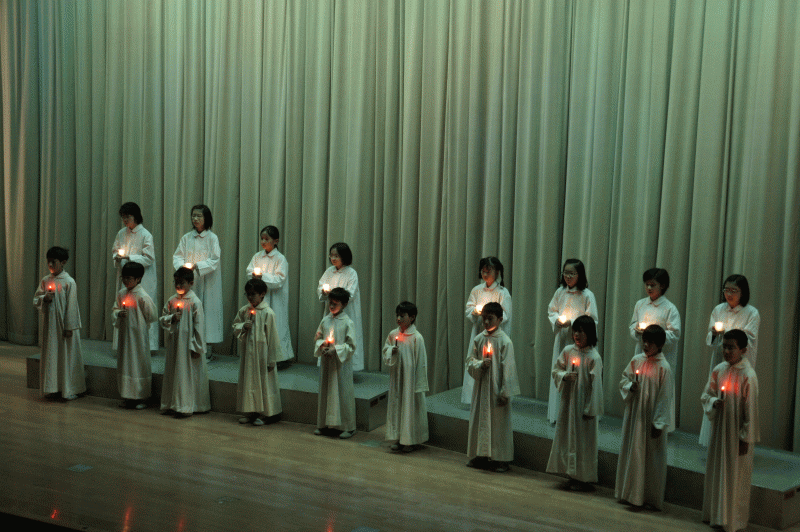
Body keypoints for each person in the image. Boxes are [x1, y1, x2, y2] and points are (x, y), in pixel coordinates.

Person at [701, 329, 759, 532]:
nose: (726, 351)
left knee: (735, 476)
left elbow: (750, 410)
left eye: (731, 348)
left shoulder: (748, 375)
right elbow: (706, 395)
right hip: (719, 432)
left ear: (743, 350)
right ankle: (714, 515)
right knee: (717, 472)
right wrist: (714, 402)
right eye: (724, 347)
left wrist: (745, 438)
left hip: (736, 435)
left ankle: (733, 521)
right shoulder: (718, 370)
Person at [615, 324, 675, 509]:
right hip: (635, 418)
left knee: (650, 459)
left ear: (660, 345)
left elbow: (665, 398)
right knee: (633, 453)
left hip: (650, 420)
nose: (646, 345)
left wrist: (659, 423)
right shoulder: (637, 360)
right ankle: (629, 493)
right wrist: (630, 386)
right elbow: (624, 380)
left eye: (651, 342)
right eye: (644, 341)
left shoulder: (664, 368)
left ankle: (648, 498)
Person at [699, 274, 760, 446]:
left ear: (743, 292)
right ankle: (713, 440)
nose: (729, 294)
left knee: (736, 399)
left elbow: (749, 339)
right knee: (717, 396)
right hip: (720, 361)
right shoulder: (719, 309)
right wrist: (714, 333)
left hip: (740, 364)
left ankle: (739, 440)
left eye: (734, 290)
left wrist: (726, 333)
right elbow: (710, 340)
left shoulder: (751, 313)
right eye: (726, 290)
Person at [546, 315, 603, 489]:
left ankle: (583, 478)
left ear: (590, 334)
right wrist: (564, 376)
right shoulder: (568, 351)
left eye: (581, 331)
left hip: (583, 408)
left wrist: (590, 409)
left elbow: (596, 387)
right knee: (568, 438)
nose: (577, 335)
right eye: (575, 331)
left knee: (583, 443)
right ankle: (571, 474)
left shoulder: (594, 357)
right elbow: (556, 370)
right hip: (568, 403)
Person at [465, 302, 519, 473]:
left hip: (497, 390)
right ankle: (480, 454)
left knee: (498, 424)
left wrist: (505, 392)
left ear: (500, 319)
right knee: (479, 420)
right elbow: (469, 361)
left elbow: (509, 369)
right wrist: (480, 365)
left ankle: (501, 458)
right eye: (484, 319)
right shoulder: (479, 339)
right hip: (481, 389)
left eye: (490, 318)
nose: (486, 322)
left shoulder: (505, 342)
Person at [546, 258, 598, 424]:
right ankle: (558, 414)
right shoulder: (560, 292)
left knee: (578, 376)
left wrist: (574, 323)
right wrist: (557, 320)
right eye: (565, 273)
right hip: (562, 338)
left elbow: (592, 319)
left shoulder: (587, 295)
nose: (568, 277)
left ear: (579, 275)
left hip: (580, 341)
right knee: (561, 370)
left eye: (572, 273)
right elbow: (552, 310)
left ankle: (581, 412)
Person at [32, 246, 86, 400]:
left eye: (53, 262)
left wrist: (69, 327)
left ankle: (69, 389)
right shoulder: (45, 280)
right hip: (50, 328)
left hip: (64, 327)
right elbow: (36, 299)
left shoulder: (69, 282)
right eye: (48, 261)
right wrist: (44, 298)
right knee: (52, 356)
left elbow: (72, 306)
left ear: (63, 262)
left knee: (67, 356)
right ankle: (53, 388)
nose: (50, 265)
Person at [159, 267, 210, 417]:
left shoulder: (195, 302)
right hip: (175, 344)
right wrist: (172, 318)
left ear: (191, 283)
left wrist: (198, 347)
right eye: (176, 282)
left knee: (186, 374)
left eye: (182, 283)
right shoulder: (172, 300)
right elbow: (163, 318)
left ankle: (187, 406)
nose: (178, 286)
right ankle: (172, 404)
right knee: (174, 372)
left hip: (189, 346)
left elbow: (199, 326)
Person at [461, 257, 512, 404]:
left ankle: (496, 394)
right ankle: (473, 396)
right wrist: (475, 312)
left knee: (493, 364)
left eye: (488, 271)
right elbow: (469, 308)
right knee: (476, 359)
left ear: (497, 272)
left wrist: (490, 316)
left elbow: (506, 315)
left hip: (495, 335)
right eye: (483, 271)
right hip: (479, 332)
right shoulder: (477, 290)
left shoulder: (503, 292)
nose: (485, 274)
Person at [232, 279, 283, 426]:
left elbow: (273, 337)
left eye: (253, 294)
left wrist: (272, 359)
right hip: (249, 355)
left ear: (262, 294)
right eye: (247, 294)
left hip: (263, 355)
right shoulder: (244, 311)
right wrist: (243, 326)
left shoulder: (268, 313)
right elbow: (235, 326)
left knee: (264, 383)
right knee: (249, 382)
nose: (250, 297)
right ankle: (251, 412)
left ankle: (266, 414)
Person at [172, 204, 223, 351]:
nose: (195, 218)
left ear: (206, 218)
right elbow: (178, 256)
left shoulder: (212, 238)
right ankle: (188, 345)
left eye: (199, 216)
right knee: (189, 310)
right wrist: (183, 268)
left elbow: (214, 259)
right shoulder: (187, 238)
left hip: (208, 281)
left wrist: (198, 266)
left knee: (207, 311)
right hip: (189, 281)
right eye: (193, 215)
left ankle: (206, 347)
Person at [382, 301, 429, 452]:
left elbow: (421, 362)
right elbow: (385, 350)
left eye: (402, 316)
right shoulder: (393, 334)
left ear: (412, 317)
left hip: (410, 380)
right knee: (397, 407)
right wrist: (391, 351)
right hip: (397, 378)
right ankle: (398, 438)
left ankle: (410, 440)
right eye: (397, 315)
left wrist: (419, 383)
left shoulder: (417, 338)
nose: (398, 319)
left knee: (409, 408)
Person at [112, 202, 158, 352]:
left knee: (142, 309)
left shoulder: (146, 235)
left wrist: (129, 257)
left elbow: (149, 258)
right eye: (123, 217)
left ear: (136, 216)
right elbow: (115, 250)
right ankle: (123, 344)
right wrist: (117, 257)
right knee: (125, 306)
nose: (125, 220)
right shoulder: (121, 233)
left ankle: (147, 346)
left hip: (143, 278)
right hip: (126, 277)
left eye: (128, 217)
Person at [112, 262, 157, 409]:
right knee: (126, 364)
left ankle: (141, 397)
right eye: (123, 277)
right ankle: (127, 396)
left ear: (138, 279)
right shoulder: (121, 294)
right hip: (125, 336)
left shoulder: (142, 296)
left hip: (138, 336)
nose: (125, 281)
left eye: (129, 278)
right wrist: (118, 313)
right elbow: (115, 309)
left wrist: (140, 324)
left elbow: (152, 315)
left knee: (138, 363)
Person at [245, 225, 294, 363]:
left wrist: (262, 277)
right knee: (259, 326)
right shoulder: (257, 256)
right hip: (259, 298)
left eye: (267, 239)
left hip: (276, 299)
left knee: (276, 326)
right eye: (262, 238)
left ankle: (279, 359)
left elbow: (279, 280)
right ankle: (260, 357)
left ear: (276, 241)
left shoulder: (280, 259)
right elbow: (249, 271)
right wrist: (254, 276)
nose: (263, 242)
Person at [314, 287, 356, 439]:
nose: (331, 306)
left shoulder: (348, 323)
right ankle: (324, 424)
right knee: (326, 392)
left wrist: (336, 350)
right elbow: (318, 337)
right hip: (327, 363)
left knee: (343, 393)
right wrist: (322, 345)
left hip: (341, 365)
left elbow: (351, 346)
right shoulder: (325, 320)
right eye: (330, 303)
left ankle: (348, 427)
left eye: (335, 303)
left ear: (344, 304)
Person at [317, 243, 364, 371]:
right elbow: (321, 286)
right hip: (331, 311)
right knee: (330, 334)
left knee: (345, 336)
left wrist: (334, 295)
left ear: (344, 256)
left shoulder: (351, 273)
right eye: (331, 255)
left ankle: (347, 368)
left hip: (346, 312)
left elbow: (351, 293)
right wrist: (324, 292)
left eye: (336, 256)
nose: (333, 258)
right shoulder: (329, 271)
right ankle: (328, 364)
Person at [629, 268, 681, 369]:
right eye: (647, 284)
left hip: (662, 356)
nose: (649, 288)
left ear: (662, 286)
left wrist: (654, 335)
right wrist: (637, 331)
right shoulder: (640, 304)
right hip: (642, 352)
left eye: (652, 285)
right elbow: (633, 325)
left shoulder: (670, 308)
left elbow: (675, 334)